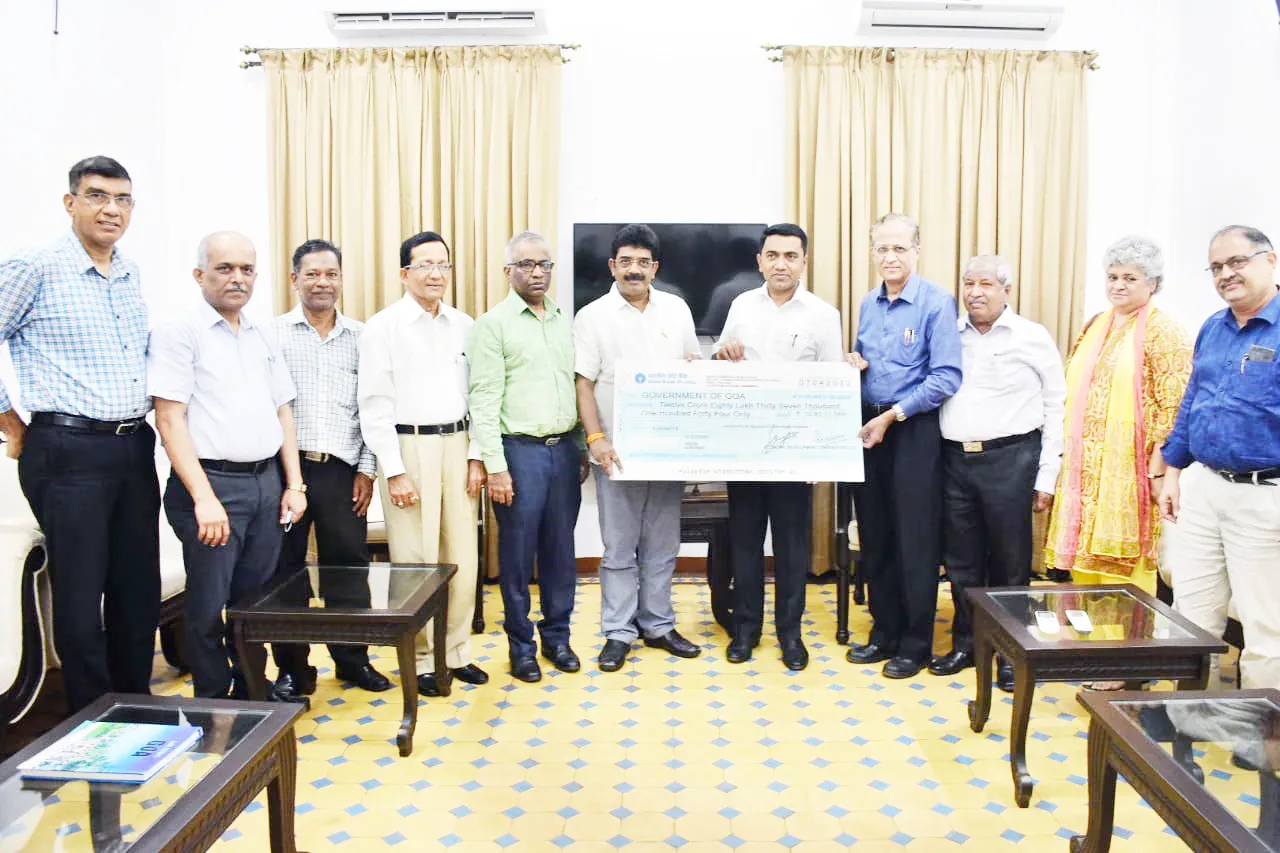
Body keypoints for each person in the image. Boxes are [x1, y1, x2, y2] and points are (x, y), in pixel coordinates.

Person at [0, 156, 159, 712]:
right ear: (71, 202)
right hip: (68, 451)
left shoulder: (129, 270)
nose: (111, 209)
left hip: (133, 445)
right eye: (97, 196)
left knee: (136, 588)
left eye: (122, 199)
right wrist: (8, 419)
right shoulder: (35, 265)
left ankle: (137, 704)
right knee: (80, 592)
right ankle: (94, 716)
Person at [149, 232, 308, 700]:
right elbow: (169, 419)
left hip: (265, 484)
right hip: (211, 486)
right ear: (199, 275)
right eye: (225, 268)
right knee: (207, 605)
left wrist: (294, 484)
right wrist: (203, 499)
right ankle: (215, 701)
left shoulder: (261, 334)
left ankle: (253, 691)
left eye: (246, 269)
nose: (237, 278)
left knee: (253, 602)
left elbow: (283, 411)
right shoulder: (179, 332)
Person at [929, 255, 1066, 692]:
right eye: (968, 283)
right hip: (954, 461)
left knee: (1010, 564)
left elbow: (1056, 405)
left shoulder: (1032, 336)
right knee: (961, 563)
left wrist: (1047, 476)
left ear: (1007, 290)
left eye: (986, 284)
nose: (975, 293)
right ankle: (967, 644)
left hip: (1012, 460)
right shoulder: (948, 334)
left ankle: (1010, 653)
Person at [359, 231, 488, 697]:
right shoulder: (383, 327)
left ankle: (456, 653)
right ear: (404, 273)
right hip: (408, 447)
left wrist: (476, 456)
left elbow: (479, 395)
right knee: (414, 561)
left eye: (443, 265)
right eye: (425, 265)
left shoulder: (465, 325)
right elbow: (374, 404)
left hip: (459, 444)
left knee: (462, 559)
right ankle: (420, 659)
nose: (436, 274)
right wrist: (393, 470)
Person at [574, 224, 703, 672]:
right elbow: (583, 384)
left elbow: (691, 368)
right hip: (617, 453)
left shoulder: (677, 309)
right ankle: (618, 631)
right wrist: (596, 439)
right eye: (626, 261)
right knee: (618, 548)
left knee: (663, 544)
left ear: (655, 268)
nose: (634, 270)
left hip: (668, 451)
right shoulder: (592, 316)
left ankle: (658, 625)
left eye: (643, 262)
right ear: (613, 265)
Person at [714, 223, 843, 671]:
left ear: (804, 261)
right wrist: (723, 355)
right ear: (760, 261)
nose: (781, 264)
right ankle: (746, 630)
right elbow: (721, 366)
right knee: (745, 545)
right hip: (746, 450)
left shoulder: (823, 315)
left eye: (790, 256)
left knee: (791, 548)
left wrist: (819, 457)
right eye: (773, 255)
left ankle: (791, 633)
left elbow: (831, 388)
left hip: (794, 453)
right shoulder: (740, 306)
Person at [1161, 225, 1280, 691]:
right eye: (1215, 267)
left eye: (1236, 262)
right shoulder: (1214, 327)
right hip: (1205, 486)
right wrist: (1173, 470)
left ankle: (1262, 726)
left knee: (1267, 629)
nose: (1226, 274)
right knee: (1191, 615)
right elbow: (1193, 400)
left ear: (1270, 260)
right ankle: (1194, 716)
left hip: (1264, 495)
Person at [272, 239, 391, 697]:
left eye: (331, 274)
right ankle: (293, 669)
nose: (322, 282)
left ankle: (352, 659)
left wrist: (367, 470)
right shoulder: (272, 336)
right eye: (313, 274)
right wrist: (285, 477)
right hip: (286, 473)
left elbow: (373, 409)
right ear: (295, 279)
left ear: (341, 279)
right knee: (286, 573)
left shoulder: (363, 337)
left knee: (348, 569)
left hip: (343, 471)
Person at [846, 213, 962, 680]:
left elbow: (946, 377)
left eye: (899, 248)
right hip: (869, 428)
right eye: (882, 248)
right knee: (876, 534)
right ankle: (884, 632)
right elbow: (869, 365)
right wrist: (854, 365)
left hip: (912, 429)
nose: (890, 257)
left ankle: (915, 644)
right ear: (872, 252)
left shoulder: (936, 302)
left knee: (915, 539)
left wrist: (892, 416)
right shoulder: (868, 303)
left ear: (916, 251)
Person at [469, 231, 586, 684]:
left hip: (564, 450)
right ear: (508, 271)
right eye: (526, 265)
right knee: (517, 558)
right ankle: (521, 647)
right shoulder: (492, 325)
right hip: (518, 453)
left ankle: (558, 638)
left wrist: (579, 445)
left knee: (561, 552)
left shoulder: (561, 320)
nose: (537, 273)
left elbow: (574, 387)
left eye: (544, 265)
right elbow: (483, 401)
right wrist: (495, 467)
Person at [1043, 236, 1190, 594]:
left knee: (1126, 578)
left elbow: (1175, 406)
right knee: (1082, 573)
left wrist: (1158, 469)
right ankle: (1084, 629)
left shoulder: (1164, 331)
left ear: (1152, 283)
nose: (1118, 285)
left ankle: (1128, 631)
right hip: (1084, 470)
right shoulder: (1095, 324)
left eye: (1130, 278)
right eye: (1112, 277)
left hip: (1133, 472)